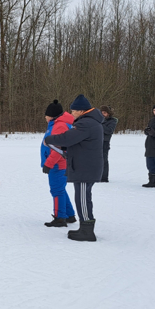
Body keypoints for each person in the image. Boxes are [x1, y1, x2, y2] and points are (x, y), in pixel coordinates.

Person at [44, 95, 103, 242]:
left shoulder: (86, 124)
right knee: (82, 197)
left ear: (81, 111)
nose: (71, 114)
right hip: (85, 165)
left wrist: (49, 140)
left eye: (73, 111)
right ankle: (84, 227)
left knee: (83, 198)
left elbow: (67, 138)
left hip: (85, 167)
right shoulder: (89, 122)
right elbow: (76, 141)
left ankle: (87, 230)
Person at [41, 100, 76, 227]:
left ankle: (60, 217)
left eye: (46, 114)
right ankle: (69, 214)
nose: (45, 117)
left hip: (58, 164)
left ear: (52, 115)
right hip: (60, 163)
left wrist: (48, 163)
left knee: (57, 190)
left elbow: (57, 148)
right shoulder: (57, 123)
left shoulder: (59, 125)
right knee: (60, 189)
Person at [100, 106, 117, 183]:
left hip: (105, 142)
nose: (103, 114)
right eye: (102, 112)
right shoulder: (97, 120)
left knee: (104, 160)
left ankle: (104, 177)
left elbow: (109, 130)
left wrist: (100, 123)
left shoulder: (112, 121)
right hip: (96, 142)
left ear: (108, 113)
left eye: (104, 113)